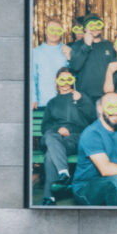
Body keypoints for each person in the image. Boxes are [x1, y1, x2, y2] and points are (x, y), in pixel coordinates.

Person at [39, 67, 92, 205]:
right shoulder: (52, 103)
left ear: (73, 81)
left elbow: (93, 118)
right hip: (55, 138)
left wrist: (81, 101)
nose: (65, 83)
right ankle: (64, 174)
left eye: (69, 79)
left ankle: (49, 197)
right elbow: (44, 127)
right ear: (57, 82)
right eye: (62, 79)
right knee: (50, 136)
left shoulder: (81, 97)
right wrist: (58, 129)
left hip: (75, 138)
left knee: (51, 154)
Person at [67, 13, 115, 108]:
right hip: (84, 97)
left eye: (97, 24)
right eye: (91, 25)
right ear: (85, 29)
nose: (94, 28)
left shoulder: (109, 45)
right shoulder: (77, 46)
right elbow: (74, 67)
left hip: (105, 96)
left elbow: (115, 70)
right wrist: (87, 46)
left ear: (101, 27)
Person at [31, 16, 70, 109]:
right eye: (51, 29)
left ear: (62, 32)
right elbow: (32, 78)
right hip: (43, 102)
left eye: (58, 30)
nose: (54, 33)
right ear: (45, 31)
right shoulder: (36, 52)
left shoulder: (68, 51)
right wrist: (33, 98)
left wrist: (70, 58)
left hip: (64, 102)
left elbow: (75, 77)